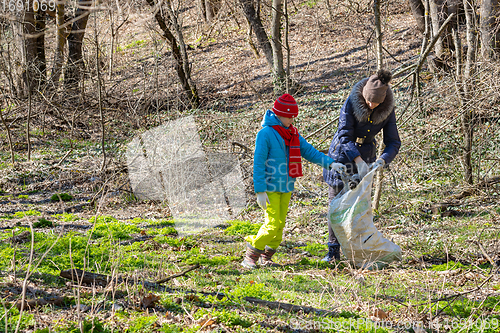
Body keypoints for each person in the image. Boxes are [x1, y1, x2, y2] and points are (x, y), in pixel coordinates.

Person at [242, 94, 346, 269]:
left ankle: (266, 256)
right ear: (279, 114)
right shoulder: (265, 134)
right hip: (269, 187)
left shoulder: (292, 134)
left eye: (293, 117)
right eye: (289, 116)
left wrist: (332, 163)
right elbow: (258, 163)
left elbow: (310, 152)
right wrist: (259, 190)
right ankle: (251, 254)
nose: (292, 119)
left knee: (280, 226)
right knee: (272, 224)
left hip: (286, 186)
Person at [322, 69, 401, 262]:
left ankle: (357, 250)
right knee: (336, 205)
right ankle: (333, 252)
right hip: (341, 156)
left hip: (367, 157)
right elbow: (344, 134)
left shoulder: (387, 110)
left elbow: (394, 141)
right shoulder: (351, 102)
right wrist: (357, 162)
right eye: (368, 101)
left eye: (375, 102)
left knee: (357, 207)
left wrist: (382, 160)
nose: (371, 104)